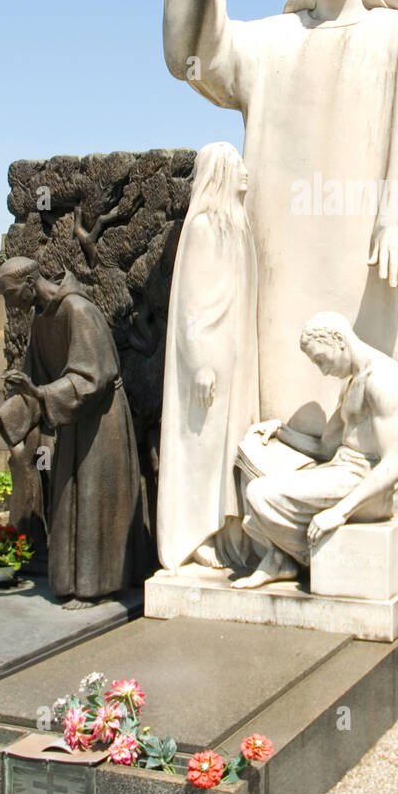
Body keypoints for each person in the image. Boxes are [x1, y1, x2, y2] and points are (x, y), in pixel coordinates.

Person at [162, 0, 398, 558]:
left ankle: (366, 510)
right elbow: (198, 59)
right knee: (283, 380)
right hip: (281, 248)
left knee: (365, 378)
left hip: (368, 256)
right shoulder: (272, 43)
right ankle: (271, 529)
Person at [0, 258, 144, 609]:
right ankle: (76, 583)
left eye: (9, 293)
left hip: (100, 419)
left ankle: (98, 587)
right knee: (67, 498)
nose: (8, 302)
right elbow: (34, 381)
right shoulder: (41, 320)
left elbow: (94, 376)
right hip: (72, 415)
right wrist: (1, 416)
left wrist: (42, 393)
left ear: (29, 283)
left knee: (93, 499)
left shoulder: (78, 310)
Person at [233, 312, 398, 588]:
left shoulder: (382, 380)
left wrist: (340, 512)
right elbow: (324, 448)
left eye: (321, 360)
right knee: (255, 457)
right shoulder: (353, 383)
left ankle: (303, 558)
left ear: (338, 341)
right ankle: (283, 558)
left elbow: (393, 463)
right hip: (340, 470)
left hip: (367, 486)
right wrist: (280, 431)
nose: (323, 371)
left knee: (259, 493)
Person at [156, 142, 259, 572]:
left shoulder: (237, 226)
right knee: (201, 447)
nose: (246, 172)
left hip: (235, 355)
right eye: (237, 166)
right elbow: (192, 306)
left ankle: (227, 530)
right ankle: (194, 534)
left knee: (229, 445)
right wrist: (198, 361)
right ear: (219, 172)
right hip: (210, 358)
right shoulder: (201, 228)